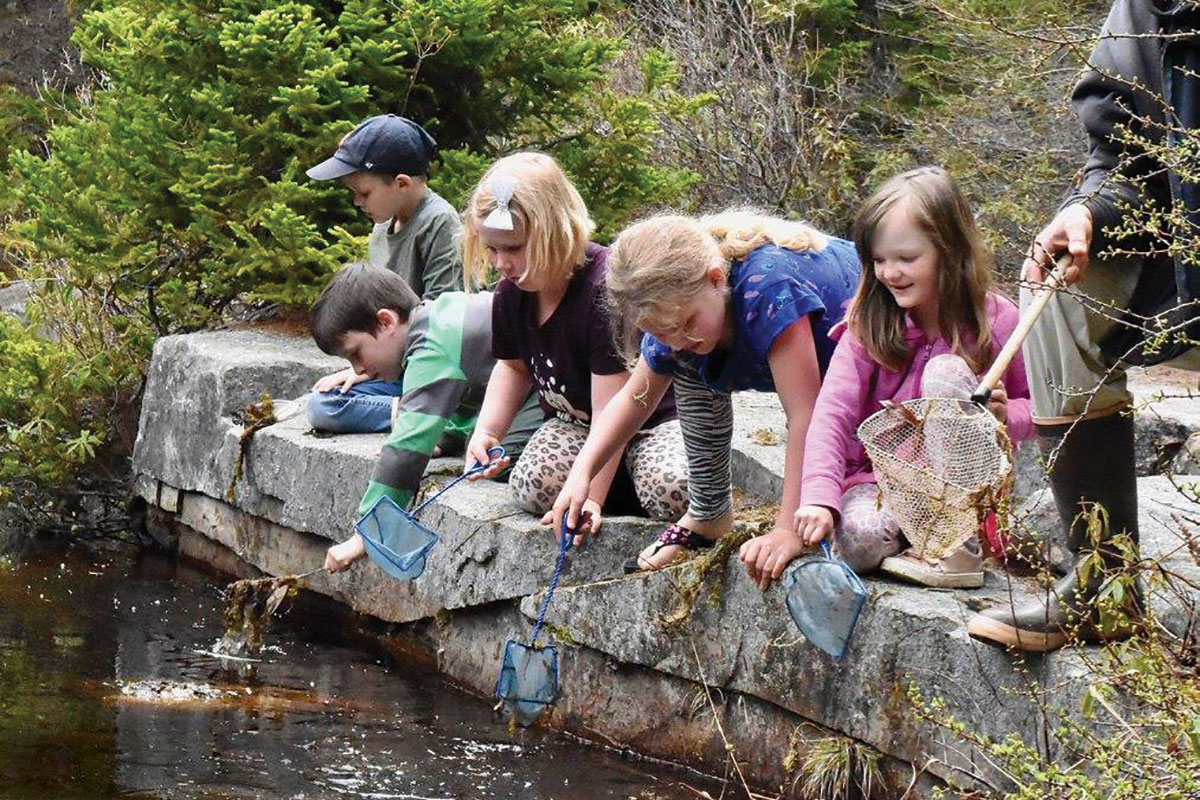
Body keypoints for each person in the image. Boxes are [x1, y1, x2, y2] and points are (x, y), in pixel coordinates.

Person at [968, 0, 1200, 650]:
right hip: (1187, 266)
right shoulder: (1149, 9)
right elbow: (1125, 157)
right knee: (1055, 285)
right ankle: (1106, 589)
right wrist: (1089, 211)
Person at [551, 210, 861, 580]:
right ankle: (708, 512)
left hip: (871, 352)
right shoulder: (678, 318)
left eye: (685, 324)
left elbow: (805, 414)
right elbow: (636, 398)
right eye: (662, 332)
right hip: (793, 352)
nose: (678, 338)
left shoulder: (769, 289)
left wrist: (787, 530)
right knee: (683, 360)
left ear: (716, 280)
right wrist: (582, 473)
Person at [793, 167, 1034, 589]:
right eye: (879, 260)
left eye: (907, 258)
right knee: (858, 540)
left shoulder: (999, 321)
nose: (890, 272)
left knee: (945, 373)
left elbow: (1040, 407)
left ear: (950, 250)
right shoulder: (866, 325)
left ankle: (957, 548)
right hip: (880, 486)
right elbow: (832, 415)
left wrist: (1004, 413)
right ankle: (911, 540)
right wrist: (818, 497)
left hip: (963, 497)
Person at [460, 152, 689, 534]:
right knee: (531, 487)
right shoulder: (512, 293)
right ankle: (612, 480)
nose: (501, 263)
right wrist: (488, 431)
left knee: (674, 491)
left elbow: (613, 409)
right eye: (491, 249)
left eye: (514, 248)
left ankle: (620, 480)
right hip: (577, 425)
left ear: (556, 231)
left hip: (648, 423)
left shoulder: (603, 293)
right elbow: (513, 367)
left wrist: (591, 500)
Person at [309, 263, 536, 572]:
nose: (358, 369)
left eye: (356, 353)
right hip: (523, 388)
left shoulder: (433, 347)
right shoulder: (432, 319)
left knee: (494, 458)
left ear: (386, 322)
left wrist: (367, 533)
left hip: (543, 390)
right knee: (474, 442)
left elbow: (406, 450)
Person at [306, 114, 467, 433]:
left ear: (402, 184)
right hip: (396, 368)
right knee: (323, 398)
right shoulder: (382, 226)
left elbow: (444, 320)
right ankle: (418, 415)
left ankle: (434, 420)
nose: (356, 202)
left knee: (327, 407)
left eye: (363, 193)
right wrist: (364, 369)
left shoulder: (439, 223)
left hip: (432, 373)